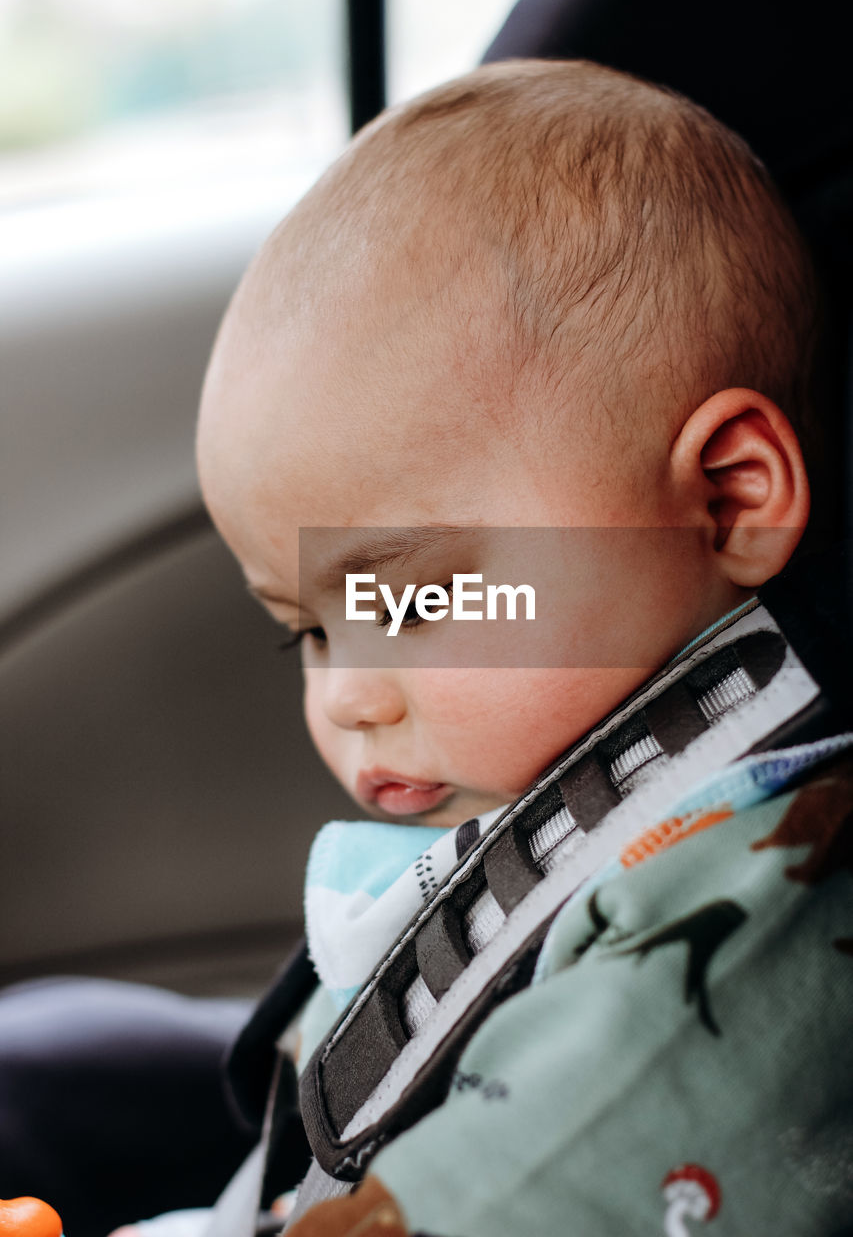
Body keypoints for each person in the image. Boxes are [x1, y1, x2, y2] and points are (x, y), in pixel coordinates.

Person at [148, 60, 853, 1234]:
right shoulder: (546, 835)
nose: (349, 698)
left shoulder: (750, 908)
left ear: (726, 497)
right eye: (306, 634)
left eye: (411, 597)